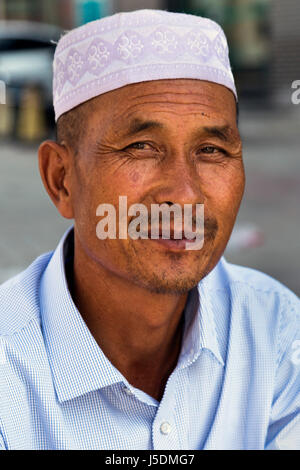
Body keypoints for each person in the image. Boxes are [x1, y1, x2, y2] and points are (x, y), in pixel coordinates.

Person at [0, 9, 299, 450]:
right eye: (140, 147)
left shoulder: (277, 334)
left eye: (212, 150)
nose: (184, 194)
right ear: (61, 179)